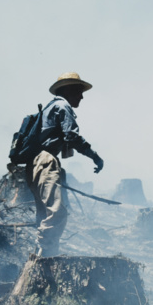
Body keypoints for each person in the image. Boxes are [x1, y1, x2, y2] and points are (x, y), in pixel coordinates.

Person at [25, 72, 104, 257]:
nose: (82, 96)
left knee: (44, 214)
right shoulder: (62, 106)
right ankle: (44, 255)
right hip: (45, 161)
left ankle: (45, 256)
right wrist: (94, 156)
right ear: (67, 90)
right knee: (57, 213)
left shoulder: (49, 108)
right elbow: (72, 136)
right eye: (78, 91)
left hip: (33, 164)